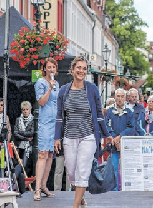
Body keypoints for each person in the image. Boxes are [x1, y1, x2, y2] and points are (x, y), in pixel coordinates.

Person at [54, 55, 112, 208]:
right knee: (72, 172)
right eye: (78, 68)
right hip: (69, 137)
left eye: (84, 68)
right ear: (72, 70)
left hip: (88, 136)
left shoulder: (91, 89)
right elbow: (59, 116)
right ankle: (81, 197)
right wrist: (56, 138)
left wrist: (106, 134)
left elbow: (99, 114)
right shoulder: (63, 91)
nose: (81, 70)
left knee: (83, 169)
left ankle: (75, 205)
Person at [34, 57, 59, 201]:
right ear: (44, 69)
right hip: (45, 122)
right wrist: (49, 87)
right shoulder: (41, 83)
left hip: (54, 123)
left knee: (50, 154)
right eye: (49, 67)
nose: (51, 70)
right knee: (42, 154)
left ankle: (44, 185)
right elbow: (42, 102)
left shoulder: (58, 83)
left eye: (53, 67)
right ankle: (37, 189)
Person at [105, 88, 135, 191]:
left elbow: (132, 128)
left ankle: (126, 189)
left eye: (122, 96)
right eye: (118, 96)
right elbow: (107, 126)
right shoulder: (109, 110)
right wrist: (114, 138)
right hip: (113, 144)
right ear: (115, 97)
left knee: (127, 168)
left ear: (126, 98)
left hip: (126, 143)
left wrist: (120, 136)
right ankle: (115, 190)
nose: (120, 99)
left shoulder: (130, 111)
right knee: (113, 168)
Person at [13, 101, 34, 170]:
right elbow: (15, 133)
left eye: (27, 109)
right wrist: (26, 138)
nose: (25, 111)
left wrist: (21, 132)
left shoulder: (33, 120)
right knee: (17, 163)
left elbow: (31, 133)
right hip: (18, 144)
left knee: (24, 164)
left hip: (28, 146)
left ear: (30, 110)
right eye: (23, 109)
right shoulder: (18, 119)